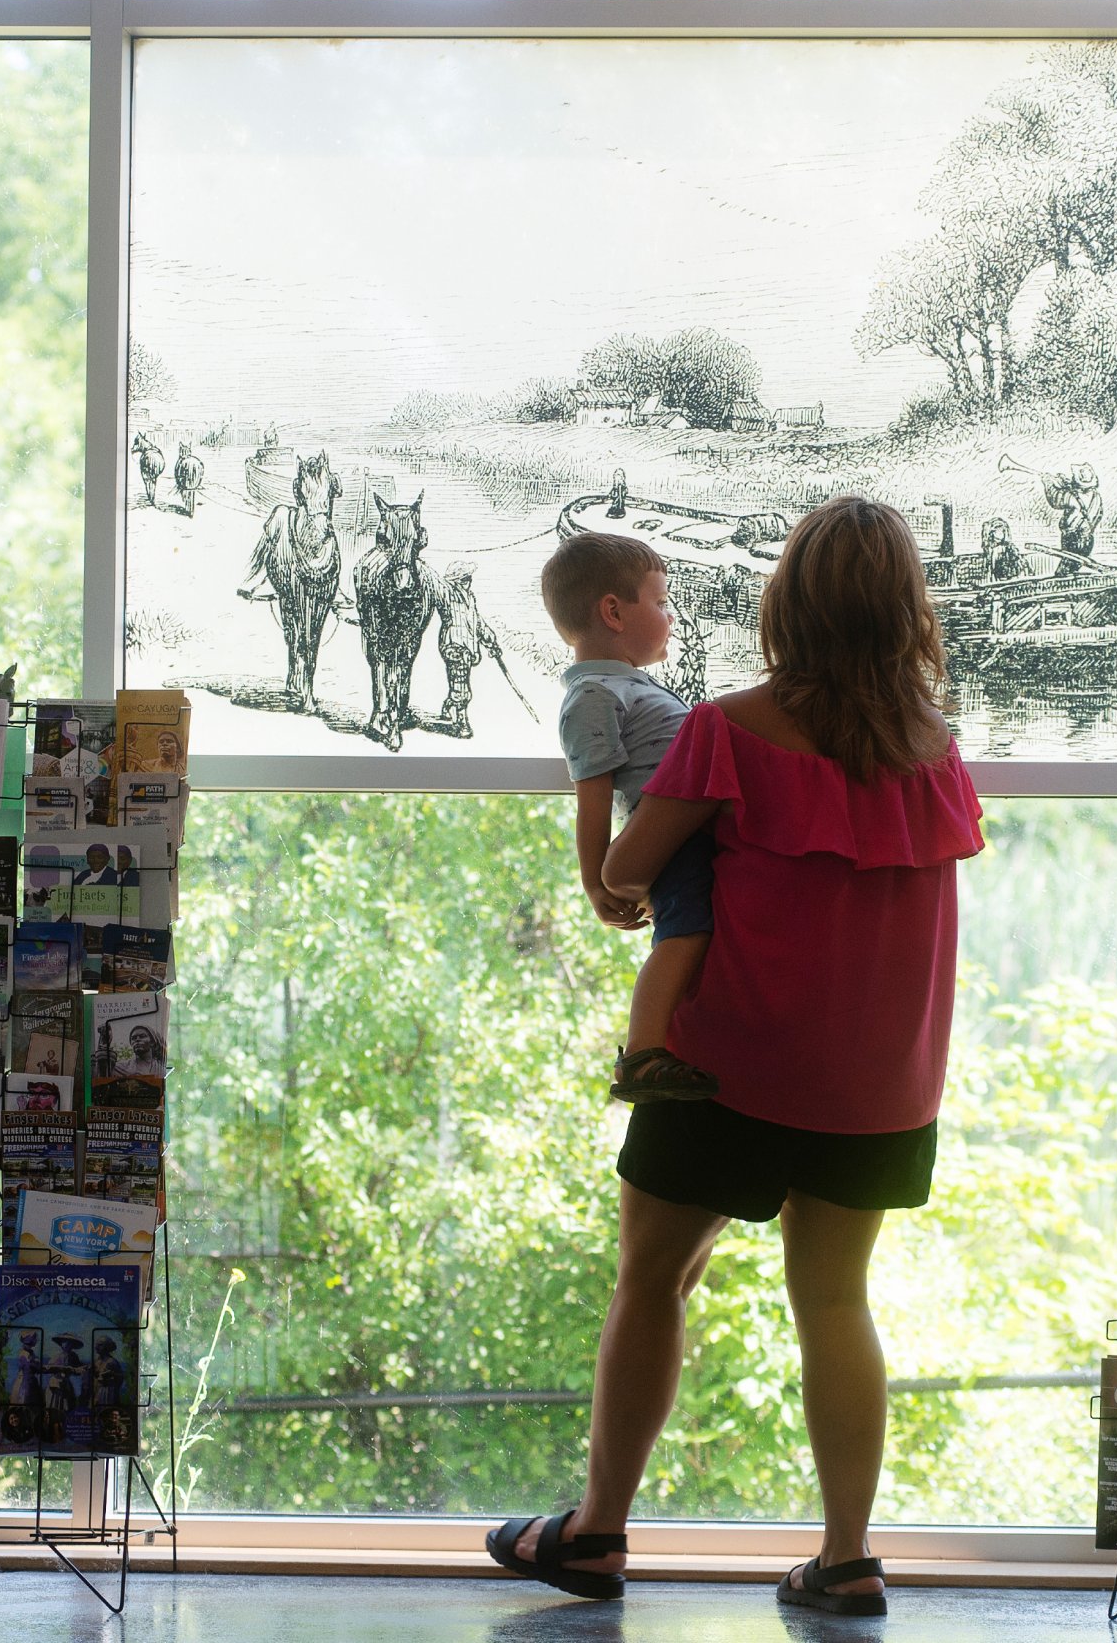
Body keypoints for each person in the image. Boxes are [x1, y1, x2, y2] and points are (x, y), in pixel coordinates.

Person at [487, 496, 983, 1618]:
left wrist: (613, 869)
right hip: (879, 1085)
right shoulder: (937, 750)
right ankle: (847, 1558)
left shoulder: (726, 727)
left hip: (729, 1067)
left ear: (786, 603)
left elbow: (624, 871)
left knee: (652, 1282)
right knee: (836, 1306)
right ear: (908, 610)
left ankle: (595, 1534)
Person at [538, 531, 720, 1105]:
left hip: (691, 834)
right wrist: (597, 883)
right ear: (613, 612)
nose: (671, 615)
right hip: (674, 841)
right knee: (685, 932)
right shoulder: (593, 695)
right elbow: (592, 800)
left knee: (694, 930)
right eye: (662, 601)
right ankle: (642, 1054)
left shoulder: (627, 686)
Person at [431, 562, 496, 740]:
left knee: (459, 681)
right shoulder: (446, 594)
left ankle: (448, 704)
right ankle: (461, 721)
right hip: (453, 645)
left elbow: (477, 622)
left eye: (469, 576)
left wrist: (491, 641)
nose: (469, 580)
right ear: (457, 579)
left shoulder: (470, 597)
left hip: (468, 647)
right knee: (461, 684)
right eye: (465, 577)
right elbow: (436, 586)